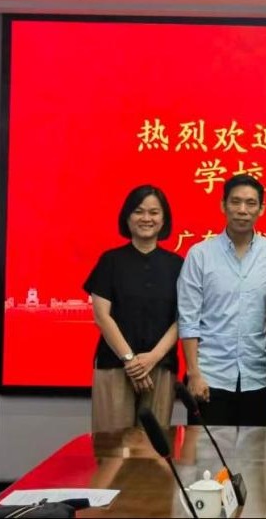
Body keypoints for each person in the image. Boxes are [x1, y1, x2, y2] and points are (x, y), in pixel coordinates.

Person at [178, 175, 266, 426]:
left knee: (255, 450)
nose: (242, 210)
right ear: (223, 205)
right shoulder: (200, 254)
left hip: (259, 378)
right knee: (208, 451)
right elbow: (189, 319)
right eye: (235, 202)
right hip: (210, 378)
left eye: (250, 203)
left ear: (261, 208)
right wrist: (194, 374)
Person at [84, 185, 182, 432]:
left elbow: (183, 320)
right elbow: (102, 316)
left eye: (154, 212)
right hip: (115, 364)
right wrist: (130, 360)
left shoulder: (178, 265)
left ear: (164, 219)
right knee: (112, 445)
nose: (146, 218)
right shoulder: (110, 261)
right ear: (127, 217)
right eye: (138, 211)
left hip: (160, 365)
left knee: (154, 446)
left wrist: (152, 358)